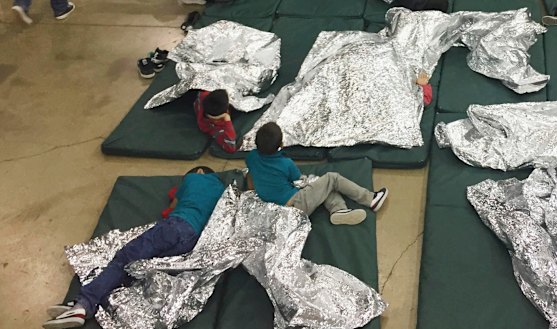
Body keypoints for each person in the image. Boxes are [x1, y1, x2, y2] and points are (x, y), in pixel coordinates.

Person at [42, 166, 236, 329]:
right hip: (192, 242)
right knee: (137, 268)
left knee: (122, 260)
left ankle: (82, 304)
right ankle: (91, 302)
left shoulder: (194, 178)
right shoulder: (220, 189)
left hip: (175, 226)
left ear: (199, 171)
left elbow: (171, 206)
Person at [246, 122, 389, 226]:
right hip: (295, 205)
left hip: (274, 207)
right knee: (332, 179)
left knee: (323, 187)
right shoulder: (286, 163)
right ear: (281, 145)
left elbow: (251, 177)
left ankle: (338, 210)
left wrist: (253, 192)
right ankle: (371, 199)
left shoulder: (251, 157)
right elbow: (298, 180)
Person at [195, 89, 239, 154]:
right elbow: (231, 148)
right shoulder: (217, 128)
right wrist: (227, 119)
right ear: (226, 110)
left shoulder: (202, 96)